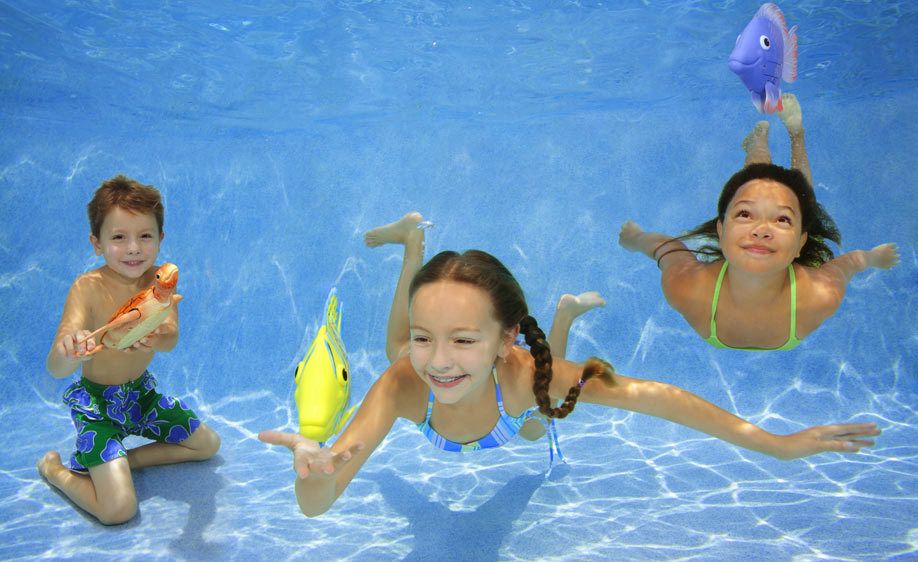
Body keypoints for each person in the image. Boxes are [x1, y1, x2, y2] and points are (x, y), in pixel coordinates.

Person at [259, 211, 879, 517]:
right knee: (394, 347)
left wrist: (776, 444)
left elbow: (654, 397)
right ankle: (412, 243)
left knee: (536, 419)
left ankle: (451, 265)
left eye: (464, 340)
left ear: (506, 339)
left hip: (516, 404)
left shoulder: (526, 375)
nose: (439, 362)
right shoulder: (405, 383)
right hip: (460, 391)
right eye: (431, 338)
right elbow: (318, 503)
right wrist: (313, 473)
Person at [619, 94, 899, 350]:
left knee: (795, 200)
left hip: (795, 259)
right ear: (720, 231)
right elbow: (669, 249)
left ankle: (795, 136)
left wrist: (871, 258)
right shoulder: (689, 288)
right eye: (744, 215)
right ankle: (762, 142)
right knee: (767, 191)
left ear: (800, 243)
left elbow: (848, 264)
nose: (761, 230)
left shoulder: (818, 295)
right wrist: (638, 239)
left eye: (782, 220)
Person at [38, 175, 221, 525]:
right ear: (97, 243)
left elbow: (170, 339)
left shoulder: (161, 281)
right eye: (119, 237)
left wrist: (156, 336)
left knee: (207, 444)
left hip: (142, 397)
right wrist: (68, 349)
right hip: (98, 407)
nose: (134, 248)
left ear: (161, 239)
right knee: (118, 510)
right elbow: (56, 368)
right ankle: (56, 471)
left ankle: (124, 461)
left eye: (145, 236)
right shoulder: (87, 287)